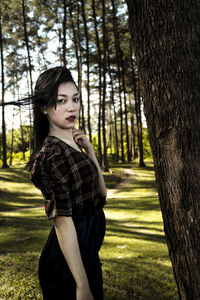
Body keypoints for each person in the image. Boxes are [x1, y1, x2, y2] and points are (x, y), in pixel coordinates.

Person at [28, 66, 107, 300]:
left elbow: (102, 195)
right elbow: (62, 221)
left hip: (88, 256)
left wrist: (90, 152)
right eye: (61, 101)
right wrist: (81, 284)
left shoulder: (74, 144)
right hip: (67, 268)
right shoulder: (51, 155)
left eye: (75, 99)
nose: (71, 107)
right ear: (44, 107)